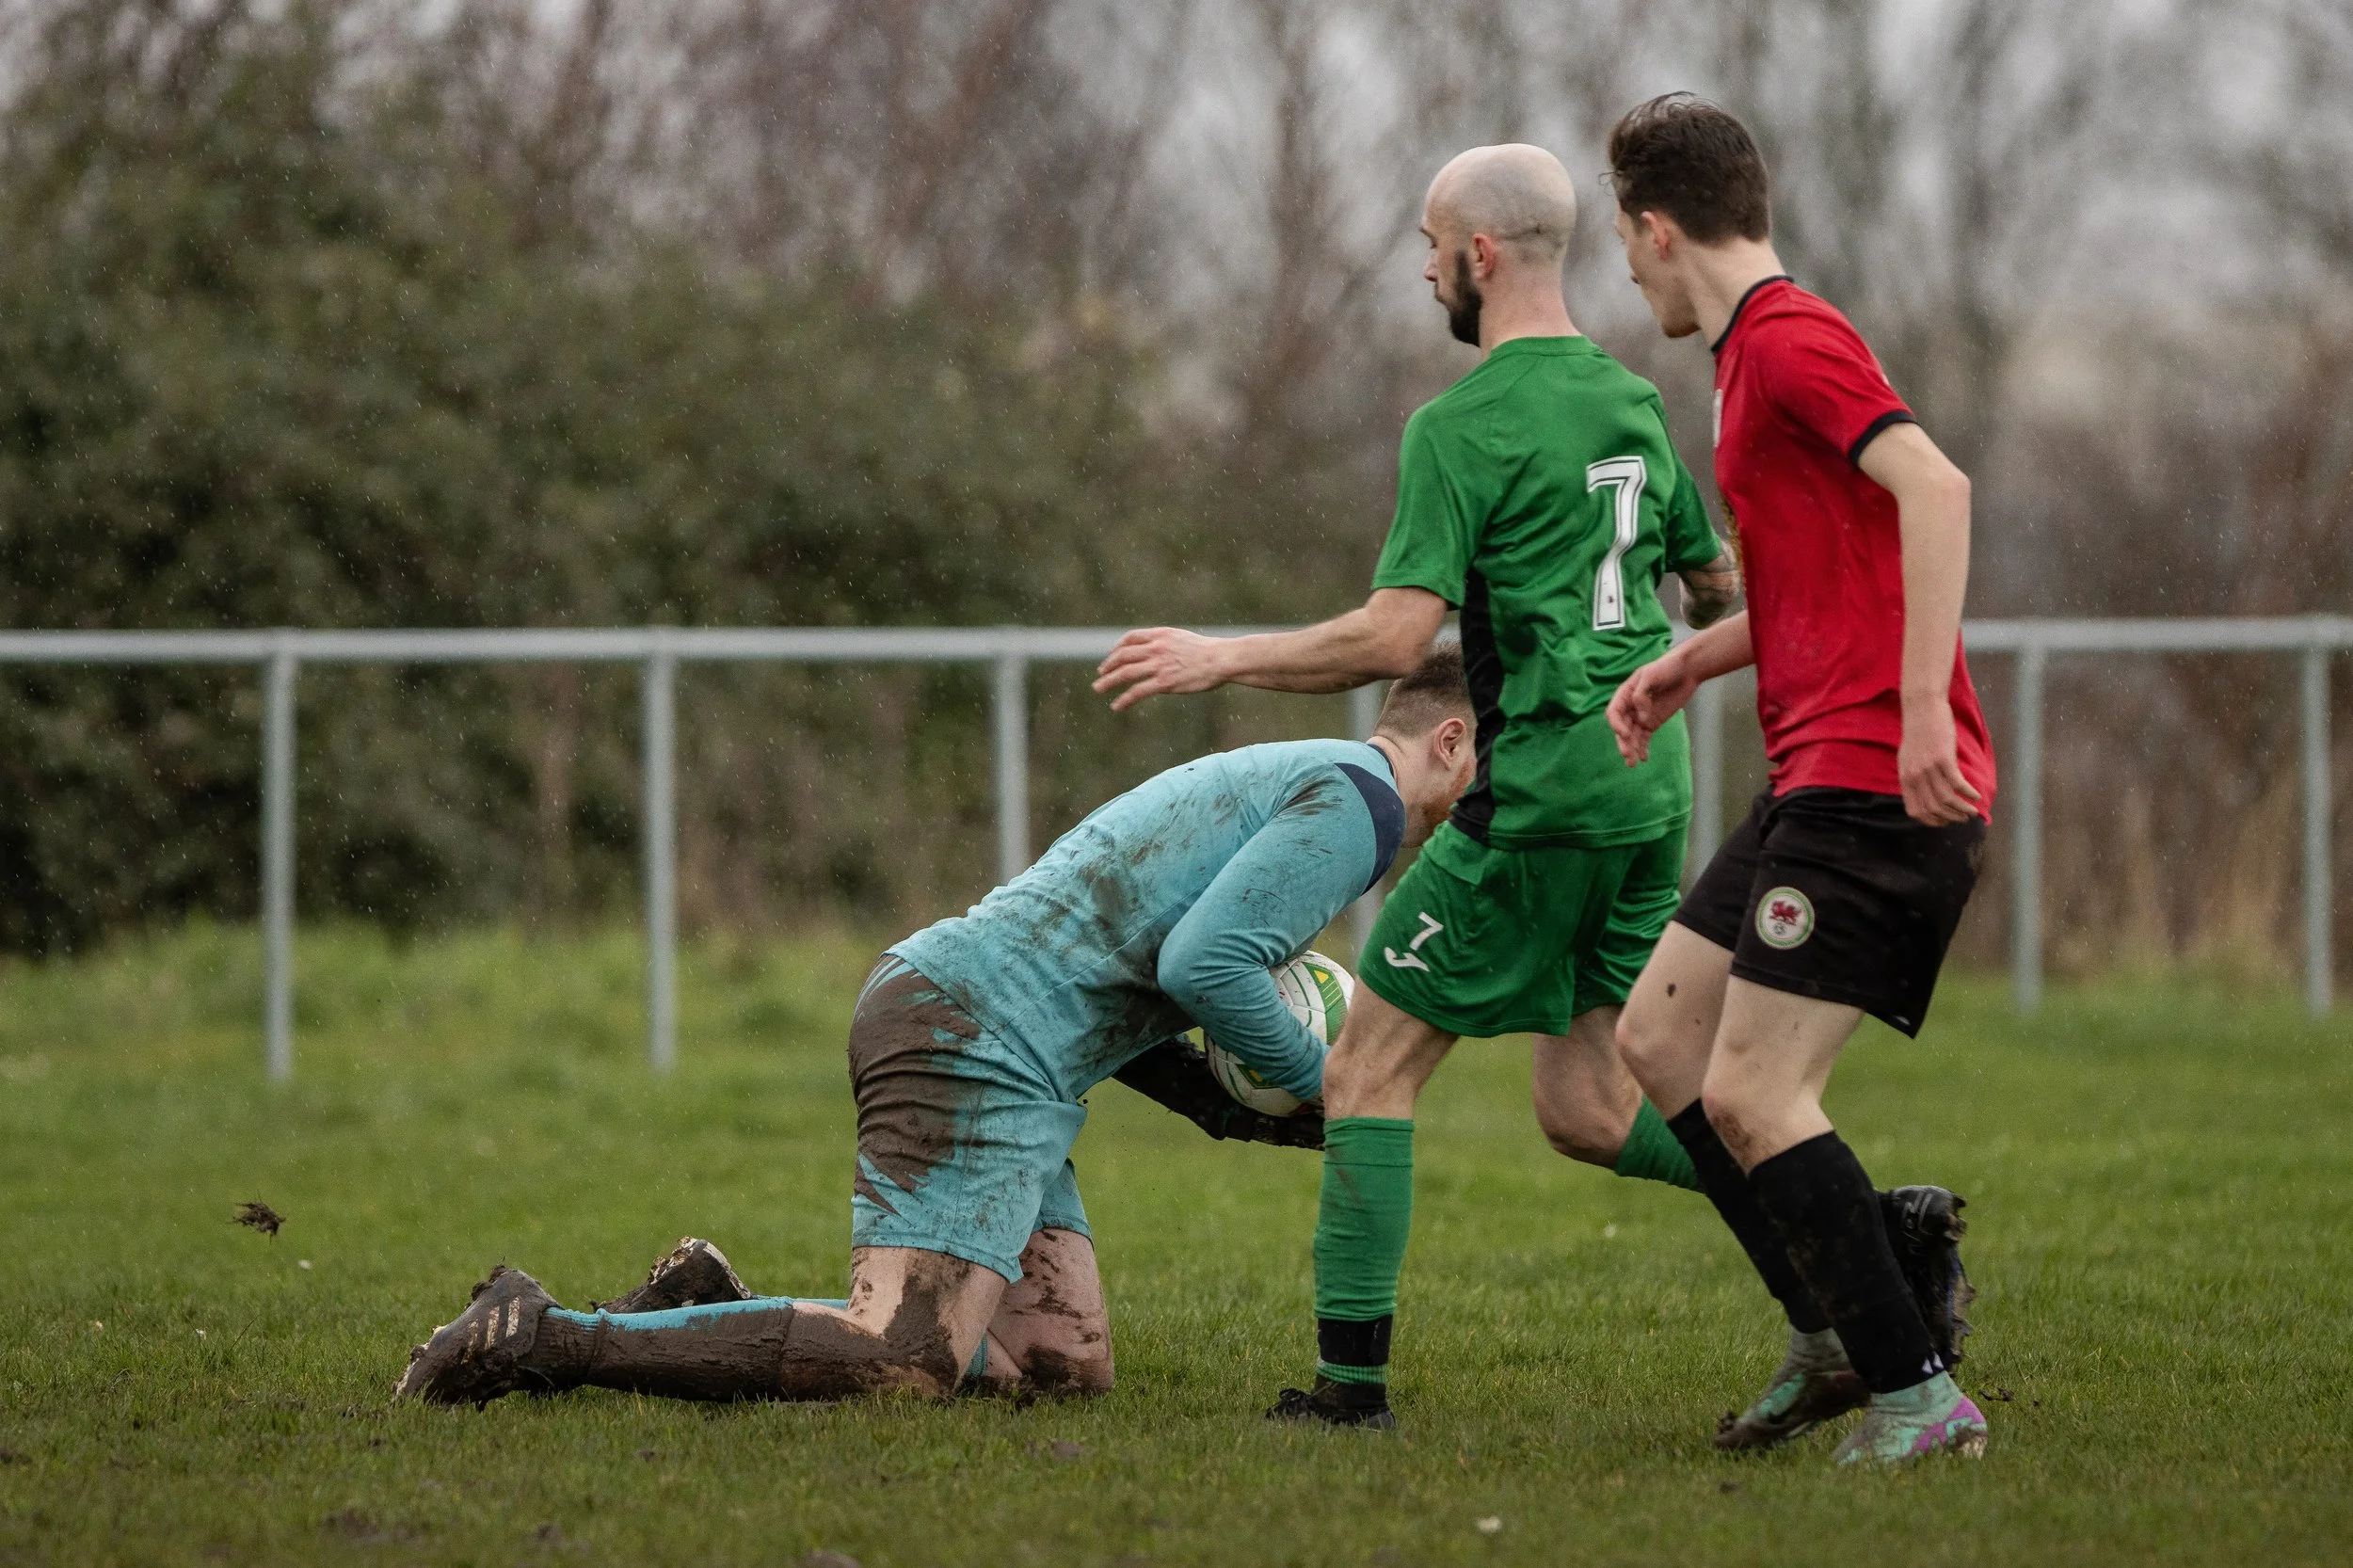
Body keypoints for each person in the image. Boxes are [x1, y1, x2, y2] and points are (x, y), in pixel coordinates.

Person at [1095, 144, 1747, 1431]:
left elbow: (1398, 641)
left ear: (1481, 257)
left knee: (1365, 1074)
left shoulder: (1461, 425)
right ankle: (1858, 1231)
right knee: (1588, 1103)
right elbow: (1715, 589)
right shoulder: (1628, 399)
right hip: (1646, 788)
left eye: (1428, 244)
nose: (1424, 266)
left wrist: (1219, 656)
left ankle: (1349, 1392)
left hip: (1543, 793)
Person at [392, 649, 1476, 1408]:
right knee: (901, 1359)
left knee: (1055, 1364)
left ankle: (709, 1310)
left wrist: (1228, 1113)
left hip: (1002, 1042)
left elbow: (1145, 971)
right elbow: (1206, 967)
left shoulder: (1305, 777)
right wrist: (1333, 1088)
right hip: (969, 1033)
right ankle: (538, 1335)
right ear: (1454, 739)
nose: (1492, 809)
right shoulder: (1363, 805)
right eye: (1499, 774)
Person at [1602, 93, 1996, 1464]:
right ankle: (1836, 1323)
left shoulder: (1790, 339)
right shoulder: (1745, 360)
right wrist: (1690, 662)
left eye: (1628, 245)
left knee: (1759, 1096)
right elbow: (1824, 575)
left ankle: (1920, 1395)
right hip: (1813, 776)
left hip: (1876, 787)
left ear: (1658, 228)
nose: (1631, 272)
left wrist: (1925, 714)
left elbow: (1933, 489)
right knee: (1659, 1042)